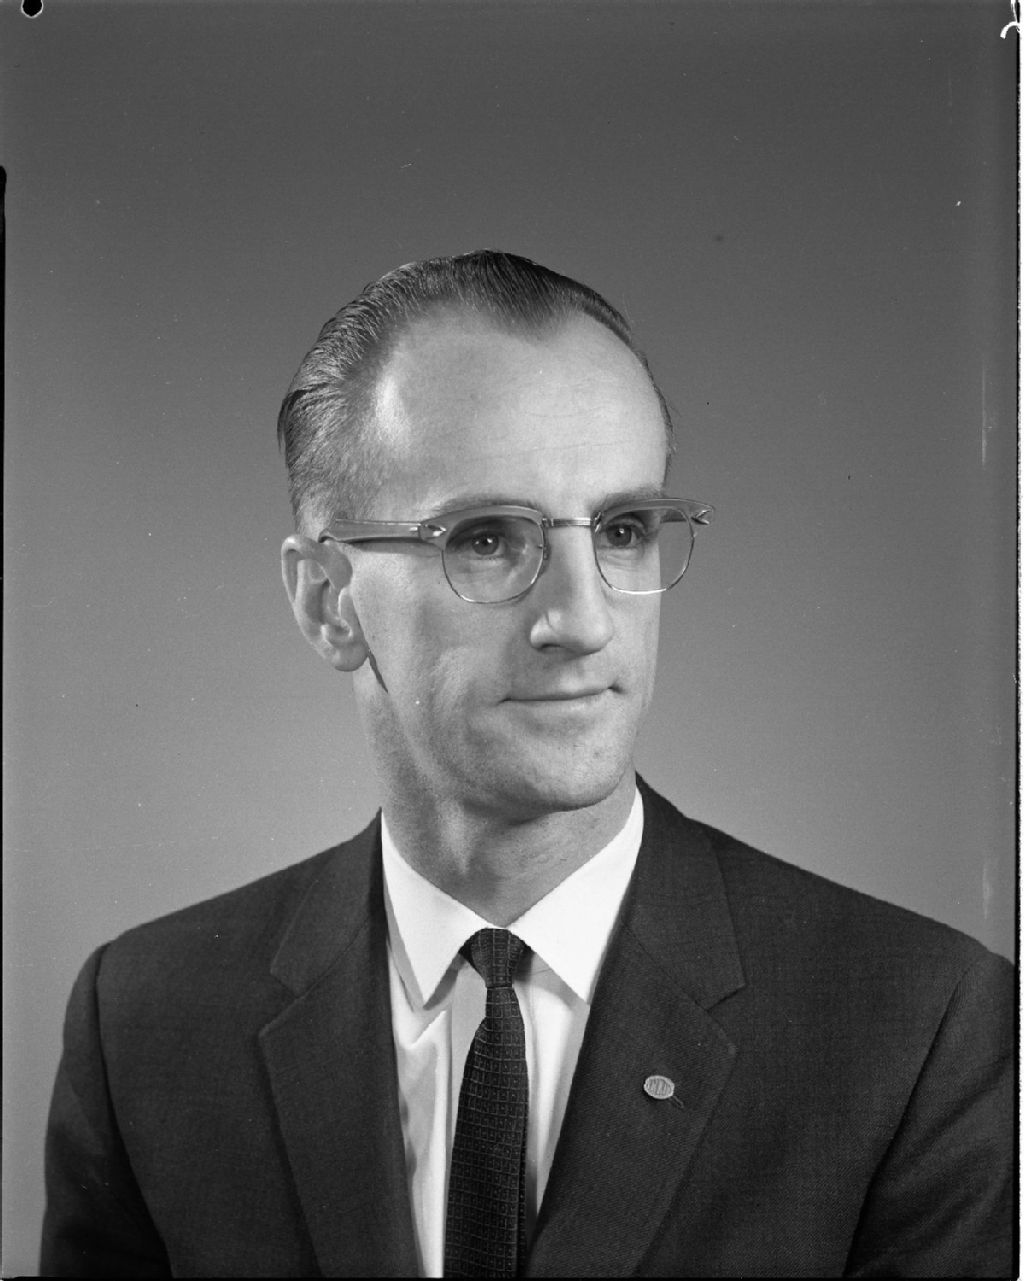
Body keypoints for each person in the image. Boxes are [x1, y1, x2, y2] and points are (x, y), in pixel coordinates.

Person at [40, 251, 1013, 1278]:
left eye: (623, 530)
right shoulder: (144, 1023)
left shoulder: (921, 1029)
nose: (584, 621)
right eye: (489, 540)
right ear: (329, 600)